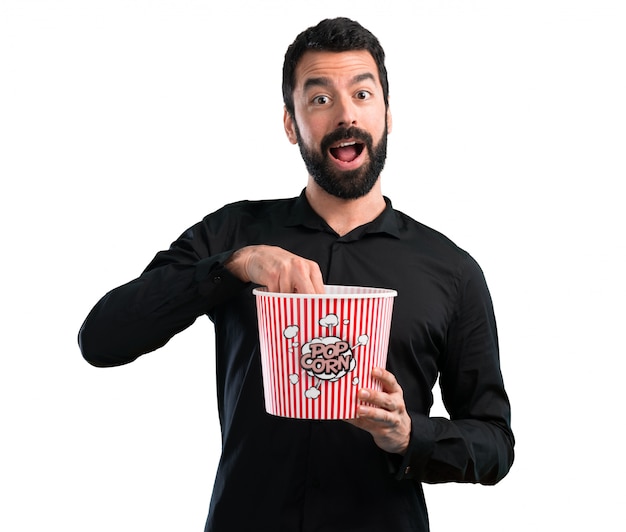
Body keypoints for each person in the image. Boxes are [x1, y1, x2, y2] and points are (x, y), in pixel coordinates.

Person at [78, 17, 514, 532]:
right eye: (320, 99)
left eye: (363, 93)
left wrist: (408, 436)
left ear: (388, 114)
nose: (346, 115)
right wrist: (234, 265)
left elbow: (495, 444)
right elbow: (101, 339)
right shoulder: (233, 233)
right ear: (291, 124)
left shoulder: (452, 270)